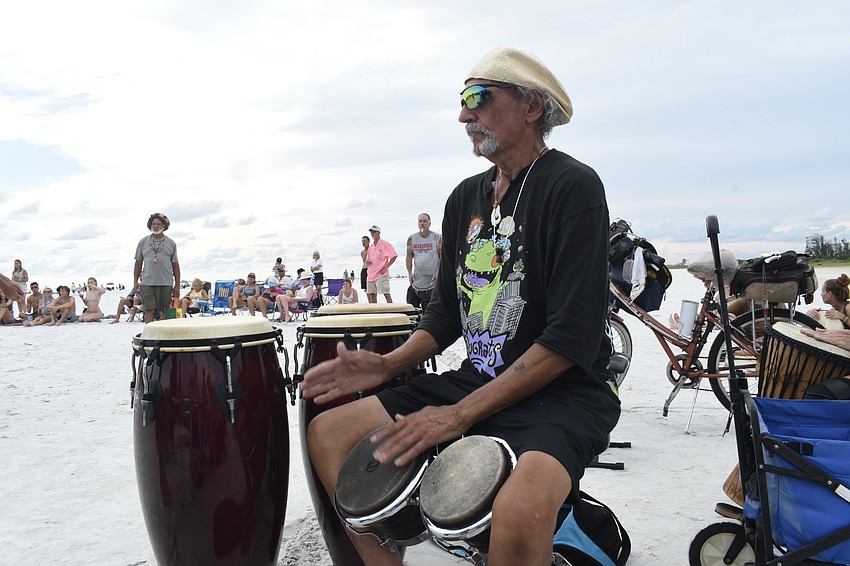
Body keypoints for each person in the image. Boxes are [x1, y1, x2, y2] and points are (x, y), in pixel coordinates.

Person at [301, 48, 619, 566]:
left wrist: (455, 416)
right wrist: (389, 363)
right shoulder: (463, 199)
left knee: (520, 510)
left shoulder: (572, 186)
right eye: (462, 101)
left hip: (566, 392)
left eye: (478, 97)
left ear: (532, 106)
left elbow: (571, 338)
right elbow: (447, 314)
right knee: (330, 434)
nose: (464, 115)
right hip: (478, 379)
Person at [133, 213, 181, 323]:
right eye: (153, 223)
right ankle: (149, 335)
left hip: (166, 283)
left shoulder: (171, 243)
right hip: (147, 283)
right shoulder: (143, 242)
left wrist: (177, 285)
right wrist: (135, 281)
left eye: (159, 224)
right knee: (149, 310)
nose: (156, 226)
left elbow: (175, 265)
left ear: (164, 226)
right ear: (150, 225)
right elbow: (138, 263)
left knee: (164, 310)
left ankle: (164, 335)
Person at [405, 212, 442, 313]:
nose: (422, 223)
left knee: (433, 309)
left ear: (429, 224)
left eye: (425, 221)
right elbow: (409, 257)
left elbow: (444, 257)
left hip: (434, 278)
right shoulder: (412, 238)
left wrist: (439, 271)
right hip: (418, 278)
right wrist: (409, 274)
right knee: (411, 304)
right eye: (420, 221)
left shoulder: (437, 238)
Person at [365, 225, 397, 303]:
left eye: (374, 232)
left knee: (386, 293)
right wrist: (367, 261)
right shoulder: (371, 247)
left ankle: (391, 311)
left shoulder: (385, 244)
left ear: (379, 233)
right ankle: (375, 313)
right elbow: (367, 258)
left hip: (381, 274)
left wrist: (386, 267)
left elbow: (394, 256)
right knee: (372, 295)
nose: (372, 233)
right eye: (371, 232)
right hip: (371, 274)